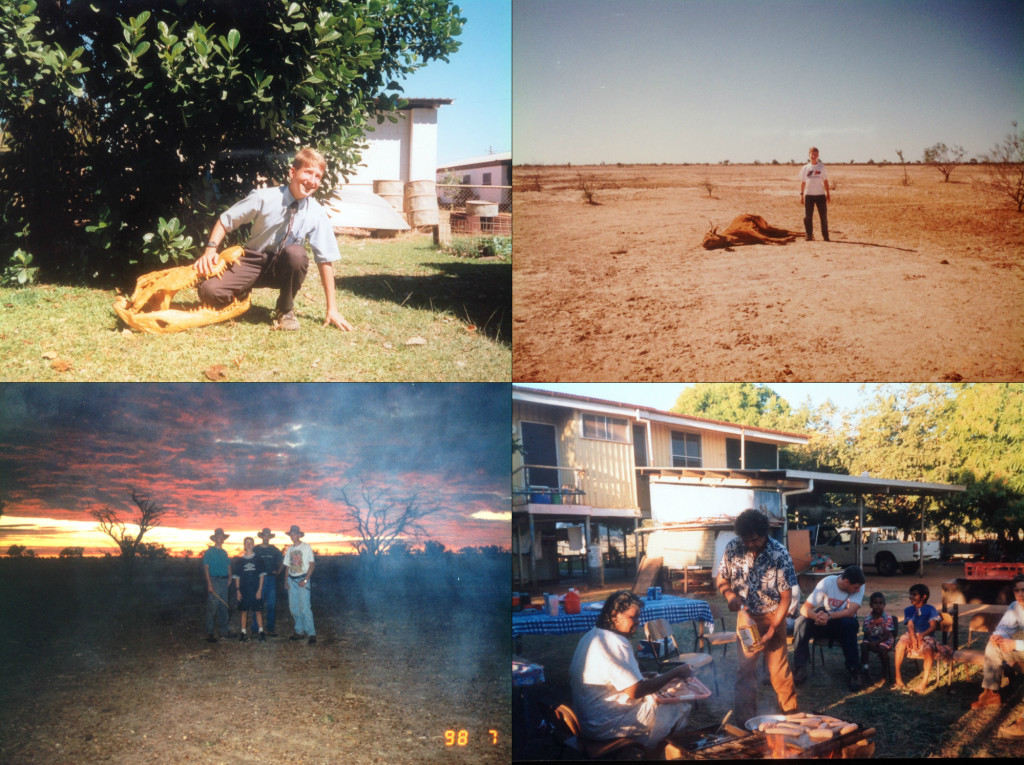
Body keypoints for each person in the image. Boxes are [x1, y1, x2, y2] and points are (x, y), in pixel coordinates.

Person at [195, 147, 354, 332]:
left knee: (297, 253)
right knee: (208, 291)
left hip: (283, 265)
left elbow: (325, 259)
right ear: (292, 172)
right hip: (252, 259)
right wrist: (210, 250)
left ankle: (285, 309)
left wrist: (332, 308)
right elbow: (226, 220)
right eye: (308, 172)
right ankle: (240, 294)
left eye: (318, 176)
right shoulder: (264, 197)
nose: (312, 181)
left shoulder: (317, 213)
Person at [569, 590, 695, 756]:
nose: (638, 622)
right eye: (633, 617)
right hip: (604, 724)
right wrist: (675, 672)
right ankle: (654, 752)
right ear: (615, 615)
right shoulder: (614, 643)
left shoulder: (592, 634)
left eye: (638, 617)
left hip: (590, 719)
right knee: (679, 705)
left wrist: (644, 677)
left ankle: (653, 747)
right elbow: (636, 691)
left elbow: (612, 676)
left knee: (659, 696)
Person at [715, 508, 799, 723]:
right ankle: (746, 721)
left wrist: (772, 630)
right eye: (747, 540)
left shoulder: (779, 554)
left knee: (778, 672)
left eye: (755, 539)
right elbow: (721, 580)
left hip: (774, 615)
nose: (751, 544)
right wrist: (730, 597)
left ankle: (790, 717)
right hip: (746, 619)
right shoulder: (733, 548)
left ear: (765, 532)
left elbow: (786, 597)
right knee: (745, 671)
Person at [792, 564, 866, 691]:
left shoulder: (860, 585)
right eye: (855, 587)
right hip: (824, 622)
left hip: (843, 623)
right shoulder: (827, 583)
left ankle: (854, 670)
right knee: (801, 622)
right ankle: (800, 668)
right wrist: (816, 617)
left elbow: (850, 612)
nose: (858, 590)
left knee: (848, 623)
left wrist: (828, 616)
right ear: (846, 582)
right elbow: (805, 608)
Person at [972, 574, 1024, 718]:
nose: (1020, 595)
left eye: (1023, 590)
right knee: (992, 646)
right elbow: (1004, 627)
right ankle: (991, 692)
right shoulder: (1015, 606)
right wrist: (998, 636)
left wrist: (1015, 644)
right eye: (1016, 590)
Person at [893, 583, 943, 692]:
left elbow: (933, 626)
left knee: (929, 649)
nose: (911, 597)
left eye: (914, 595)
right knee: (900, 645)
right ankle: (898, 678)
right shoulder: (909, 610)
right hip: (912, 634)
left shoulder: (930, 609)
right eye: (910, 594)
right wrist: (914, 638)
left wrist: (922, 635)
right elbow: (910, 624)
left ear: (924, 596)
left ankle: (924, 683)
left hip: (926, 635)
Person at [282, 524, 316, 644]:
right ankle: (299, 631)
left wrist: (306, 580)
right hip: (292, 580)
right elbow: (287, 566)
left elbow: (312, 565)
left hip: (302, 579)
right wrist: (286, 581)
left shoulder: (306, 547)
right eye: (291, 534)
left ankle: (311, 633)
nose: (293, 536)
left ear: (299, 535)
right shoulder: (290, 550)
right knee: (294, 607)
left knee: (305, 607)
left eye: (295, 533)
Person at [233, 536, 267, 642]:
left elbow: (262, 576)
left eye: (250, 542)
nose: (248, 544)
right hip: (244, 590)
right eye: (246, 543)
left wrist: (260, 590)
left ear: (253, 545)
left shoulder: (258, 560)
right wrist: (238, 590)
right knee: (244, 611)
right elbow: (237, 577)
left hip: (255, 590)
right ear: (244, 545)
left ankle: (261, 632)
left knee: (258, 611)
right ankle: (243, 632)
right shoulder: (239, 561)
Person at [202, 528, 233, 642]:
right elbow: (206, 568)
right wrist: (209, 584)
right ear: (215, 538)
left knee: (223, 606)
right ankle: (209, 633)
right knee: (212, 607)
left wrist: (230, 577)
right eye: (218, 536)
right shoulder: (209, 552)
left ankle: (224, 631)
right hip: (214, 580)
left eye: (222, 537)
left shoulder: (224, 552)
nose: (220, 539)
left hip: (224, 581)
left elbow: (228, 566)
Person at [859, 592, 896, 685]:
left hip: (884, 639)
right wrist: (871, 642)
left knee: (883, 649)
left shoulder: (887, 617)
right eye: (875, 603)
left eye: (881, 603)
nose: (878, 605)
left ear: (884, 605)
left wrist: (877, 643)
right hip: (872, 638)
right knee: (864, 646)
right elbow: (866, 632)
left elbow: (888, 634)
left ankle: (884, 671)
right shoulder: (868, 617)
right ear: (871, 605)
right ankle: (866, 669)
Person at [254, 528, 284, 637]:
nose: (266, 538)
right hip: (258, 580)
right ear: (261, 537)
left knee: (271, 604)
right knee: (258, 603)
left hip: (271, 579)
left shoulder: (274, 550)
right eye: (264, 535)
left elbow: (283, 562)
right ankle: (256, 628)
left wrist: (278, 572)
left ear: (270, 537)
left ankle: (270, 628)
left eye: (268, 536)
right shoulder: (255, 549)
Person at [799, 146, 830, 241]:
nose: (813, 156)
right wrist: (801, 195)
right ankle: (809, 235)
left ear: (818, 155)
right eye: (812, 154)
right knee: (808, 217)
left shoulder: (821, 167)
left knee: (823, 217)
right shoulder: (805, 168)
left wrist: (828, 194)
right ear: (809, 155)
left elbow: (825, 181)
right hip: (809, 195)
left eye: (815, 154)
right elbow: (803, 182)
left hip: (820, 195)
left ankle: (825, 236)